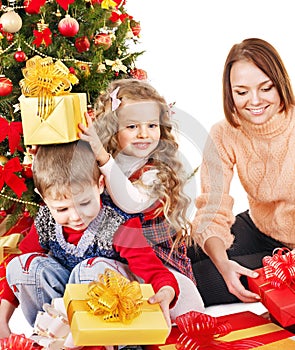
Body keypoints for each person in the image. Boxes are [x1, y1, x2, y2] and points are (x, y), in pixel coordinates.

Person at [3, 140, 181, 338]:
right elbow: (20, 269)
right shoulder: (47, 222)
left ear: (100, 185)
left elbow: (152, 269)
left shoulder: (116, 223)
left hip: (111, 308)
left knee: (88, 268)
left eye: (85, 203)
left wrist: (166, 291)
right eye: (62, 209)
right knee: (23, 266)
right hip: (66, 305)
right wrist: (2, 318)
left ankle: (102, 340)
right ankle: (55, 335)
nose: (75, 216)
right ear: (44, 200)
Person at [78, 78, 205, 314]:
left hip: (155, 261)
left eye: (151, 126)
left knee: (186, 307)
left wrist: (103, 158)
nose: (143, 134)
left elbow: (131, 202)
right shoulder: (102, 161)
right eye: (132, 126)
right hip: (115, 255)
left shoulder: (155, 171)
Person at [191, 37, 295, 306]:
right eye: (242, 92)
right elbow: (212, 208)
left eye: (266, 88)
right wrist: (224, 263)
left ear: (280, 83)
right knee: (185, 253)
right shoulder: (224, 132)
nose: (255, 101)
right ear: (230, 92)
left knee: (199, 280)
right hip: (260, 224)